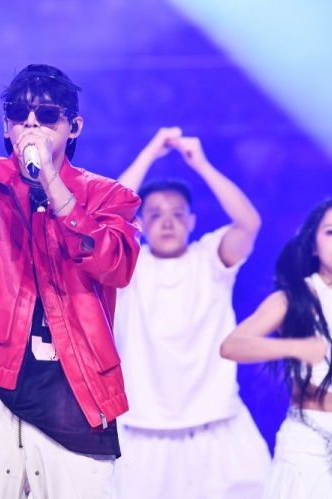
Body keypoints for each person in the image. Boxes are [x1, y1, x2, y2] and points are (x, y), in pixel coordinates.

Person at [0, 64, 141, 498]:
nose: (32, 125)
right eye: (20, 115)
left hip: (75, 389)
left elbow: (115, 264)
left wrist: (51, 182)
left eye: (47, 116)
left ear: (74, 127)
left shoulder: (108, 196)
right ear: (6, 126)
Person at [113, 128, 271, 498]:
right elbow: (105, 215)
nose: (167, 222)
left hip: (218, 427)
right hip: (143, 431)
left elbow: (249, 223)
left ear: (192, 221)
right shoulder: (127, 266)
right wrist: (150, 152)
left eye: (177, 213)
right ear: (139, 224)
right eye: (155, 214)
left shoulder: (211, 259)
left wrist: (201, 165)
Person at [221, 195, 332, 498]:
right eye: (331, 232)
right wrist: (296, 347)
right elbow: (232, 345)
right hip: (307, 446)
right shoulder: (292, 300)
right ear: (315, 245)